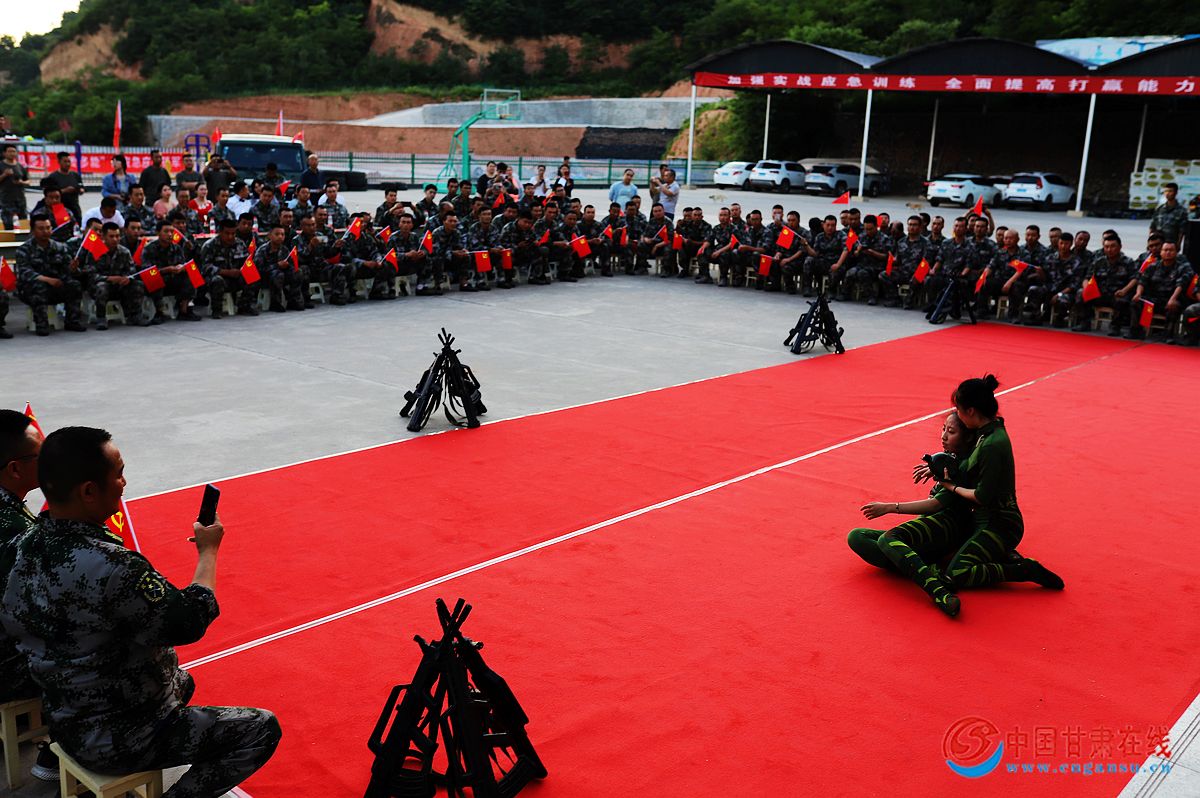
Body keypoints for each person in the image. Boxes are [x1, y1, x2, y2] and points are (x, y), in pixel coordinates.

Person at [0, 426, 281, 797]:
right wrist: (208, 552)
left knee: (181, 680)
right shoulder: (114, 566)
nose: (123, 482)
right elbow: (189, 620)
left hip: (63, 715)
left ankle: (55, 757)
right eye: (118, 474)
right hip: (119, 735)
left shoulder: (24, 543)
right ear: (88, 491)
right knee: (260, 728)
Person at [873, 375, 1063, 618]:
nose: (956, 416)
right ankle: (996, 555)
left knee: (957, 575)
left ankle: (1023, 570)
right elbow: (965, 465)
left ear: (970, 411)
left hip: (1000, 523)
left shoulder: (993, 443)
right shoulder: (987, 433)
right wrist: (938, 466)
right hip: (982, 521)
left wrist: (950, 486)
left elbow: (981, 496)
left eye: (958, 410)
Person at [847, 412, 977, 574]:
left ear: (968, 437)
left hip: (942, 531)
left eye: (951, 432)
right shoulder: (951, 458)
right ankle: (915, 560)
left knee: (868, 539)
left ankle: (923, 570)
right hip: (934, 527)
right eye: (943, 429)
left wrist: (889, 507)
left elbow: (934, 505)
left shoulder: (960, 467)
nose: (943, 436)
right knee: (861, 536)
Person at [16, 213, 86, 335]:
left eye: (48, 228)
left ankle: (72, 321)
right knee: (39, 286)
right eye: (41, 228)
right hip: (31, 290)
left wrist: (73, 269)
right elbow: (24, 273)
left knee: (74, 285)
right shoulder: (24, 250)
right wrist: (47, 280)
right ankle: (41, 324)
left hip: (56, 286)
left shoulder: (60, 247)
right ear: (33, 230)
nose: (45, 231)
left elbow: (67, 270)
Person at [81, 221, 151, 329]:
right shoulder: (95, 251)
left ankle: (135, 315)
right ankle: (101, 318)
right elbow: (90, 274)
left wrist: (128, 278)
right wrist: (108, 278)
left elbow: (132, 270)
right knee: (101, 287)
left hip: (120, 285)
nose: (115, 239)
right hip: (101, 285)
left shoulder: (124, 252)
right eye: (111, 236)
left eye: (117, 236)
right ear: (103, 236)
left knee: (138, 285)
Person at [43, 151, 86, 220]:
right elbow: (48, 193)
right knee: (63, 224)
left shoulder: (75, 175)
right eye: (65, 162)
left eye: (69, 161)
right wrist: (64, 190)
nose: (67, 164)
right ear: (59, 162)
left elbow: (81, 187)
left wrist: (80, 190)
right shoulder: (53, 177)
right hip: (60, 207)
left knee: (77, 224)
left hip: (74, 207)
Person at [0, 142, 31, 230]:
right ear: (4, 153)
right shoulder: (1, 165)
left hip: (20, 199)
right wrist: (4, 175)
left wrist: (22, 182)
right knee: (8, 223)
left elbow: (28, 181)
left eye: (14, 151)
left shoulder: (20, 166)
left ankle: (24, 237)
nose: (12, 153)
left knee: (24, 222)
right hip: (6, 199)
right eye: (9, 151)